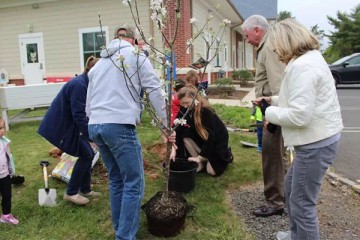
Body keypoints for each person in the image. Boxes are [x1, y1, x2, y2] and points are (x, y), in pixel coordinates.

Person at [254, 18, 343, 240]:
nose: (275, 49)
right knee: (292, 189)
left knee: (303, 203)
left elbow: (299, 115)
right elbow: (297, 96)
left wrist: (269, 113)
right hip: (318, 140)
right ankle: (296, 235)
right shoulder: (309, 59)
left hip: (316, 144)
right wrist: (272, 99)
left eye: (276, 44)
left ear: (286, 40)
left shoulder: (303, 66)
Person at [86, 24, 174, 240]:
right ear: (134, 41)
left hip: (96, 125)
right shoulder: (136, 56)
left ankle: (120, 228)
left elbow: (88, 102)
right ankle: (125, 236)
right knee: (134, 181)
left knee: (116, 179)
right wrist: (166, 125)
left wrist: (93, 125)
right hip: (118, 125)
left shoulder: (99, 65)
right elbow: (154, 90)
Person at [38, 56, 99, 206]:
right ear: (93, 72)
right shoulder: (79, 85)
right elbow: (78, 114)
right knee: (86, 155)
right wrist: (90, 136)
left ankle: (85, 189)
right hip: (61, 126)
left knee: (88, 154)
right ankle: (71, 193)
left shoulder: (85, 83)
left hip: (71, 125)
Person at [242, 14, 287, 217]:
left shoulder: (269, 47)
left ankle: (276, 202)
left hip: (273, 110)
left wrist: (273, 116)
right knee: (273, 154)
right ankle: (279, 196)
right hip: (268, 107)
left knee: (273, 155)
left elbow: (278, 84)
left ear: (257, 30)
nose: (247, 39)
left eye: (247, 35)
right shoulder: (267, 45)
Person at [170, 85, 233, 176]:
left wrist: (201, 156)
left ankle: (225, 155)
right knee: (185, 135)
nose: (184, 106)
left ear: (195, 98)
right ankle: (199, 163)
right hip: (201, 138)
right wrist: (173, 147)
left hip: (216, 142)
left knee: (211, 172)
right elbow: (176, 127)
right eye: (182, 104)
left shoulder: (206, 111)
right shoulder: (185, 108)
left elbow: (211, 135)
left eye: (187, 103)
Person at [0, 118, 19, 225]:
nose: (2, 130)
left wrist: (10, 170)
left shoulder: (4, 142)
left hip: (5, 175)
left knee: (7, 195)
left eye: (2, 127)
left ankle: (6, 215)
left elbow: (7, 157)